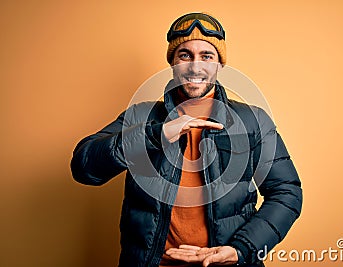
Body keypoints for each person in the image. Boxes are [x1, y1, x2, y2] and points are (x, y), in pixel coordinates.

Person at [71, 12, 302, 267]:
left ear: (220, 64)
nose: (195, 66)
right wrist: (154, 135)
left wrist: (241, 249)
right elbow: (84, 167)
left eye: (207, 56)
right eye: (185, 55)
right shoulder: (141, 117)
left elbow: (286, 192)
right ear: (172, 62)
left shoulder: (253, 121)